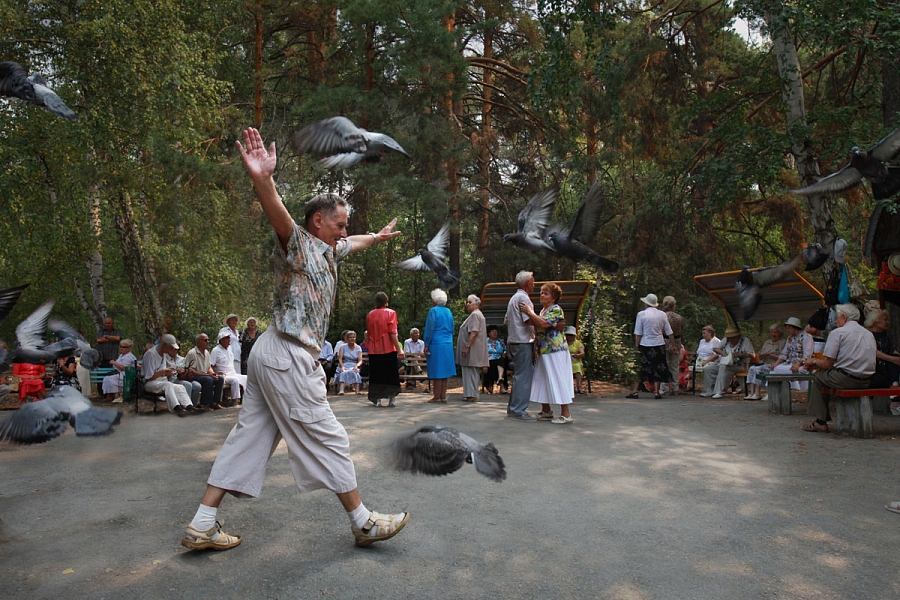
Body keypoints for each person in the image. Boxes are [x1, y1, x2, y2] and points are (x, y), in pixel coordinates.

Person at [182, 127, 407, 553]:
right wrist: (263, 180)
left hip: (271, 350)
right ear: (318, 222)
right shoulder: (301, 245)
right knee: (329, 435)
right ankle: (363, 522)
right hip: (287, 353)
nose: (345, 232)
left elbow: (352, 245)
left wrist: (374, 238)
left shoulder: (329, 249)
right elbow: (279, 216)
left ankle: (202, 522)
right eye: (339, 225)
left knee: (249, 438)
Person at [802, 303, 876, 433]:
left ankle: (821, 421)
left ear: (844, 317)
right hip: (867, 380)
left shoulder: (838, 333)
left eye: (837, 318)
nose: (835, 321)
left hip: (846, 379)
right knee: (827, 373)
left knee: (819, 377)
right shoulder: (868, 333)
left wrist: (812, 361)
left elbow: (827, 364)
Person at [521, 283, 575, 423]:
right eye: (541, 293)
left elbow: (544, 324)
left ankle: (566, 414)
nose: (542, 295)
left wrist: (529, 312)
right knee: (542, 378)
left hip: (555, 351)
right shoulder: (544, 310)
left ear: (554, 298)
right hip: (544, 351)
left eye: (546, 293)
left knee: (557, 378)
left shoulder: (556, 309)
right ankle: (546, 410)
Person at [627, 293, 676, 400]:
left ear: (646, 304)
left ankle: (635, 391)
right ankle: (657, 392)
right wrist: (674, 345)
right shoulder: (662, 314)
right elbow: (669, 331)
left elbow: (638, 332)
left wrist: (637, 345)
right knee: (658, 367)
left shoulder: (641, 314)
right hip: (659, 344)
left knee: (641, 367)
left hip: (645, 344)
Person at [504, 271, 537, 420]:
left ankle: (513, 408)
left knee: (520, 375)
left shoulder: (513, 298)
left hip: (514, 340)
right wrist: (543, 322)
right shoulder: (523, 298)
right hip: (523, 341)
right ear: (526, 283)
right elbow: (528, 320)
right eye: (532, 281)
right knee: (524, 376)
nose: (534, 284)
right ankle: (518, 410)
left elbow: (506, 322)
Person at [142, 334, 199, 417]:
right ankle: (177, 408)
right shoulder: (150, 355)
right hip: (151, 383)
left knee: (180, 387)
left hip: (162, 381)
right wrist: (163, 371)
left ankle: (189, 406)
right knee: (168, 385)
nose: (172, 350)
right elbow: (149, 377)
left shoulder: (163, 354)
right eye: (171, 347)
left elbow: (163, 372)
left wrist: (169, 372)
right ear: (165, 345)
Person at [366, 292, 404, 407]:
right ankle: (392, 398)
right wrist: (399, 350)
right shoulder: (391, 313)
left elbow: (369, 333)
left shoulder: (370, 314)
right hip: (388, 348)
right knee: (390, 373)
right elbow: (392, 333)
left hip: (374, 349)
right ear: (386, 301)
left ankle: (377, 399)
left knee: (376, 374)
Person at [864, 308, 900, 415]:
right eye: (885, 319)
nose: (888, 322)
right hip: (872, 371)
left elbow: (891, 351)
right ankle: (895, 393)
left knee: (894, 357)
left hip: (885, 371)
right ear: (876, 321)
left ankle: (895, 386)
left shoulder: (885, 337)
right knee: (893, 359)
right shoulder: (867, 335)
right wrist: (893, 359)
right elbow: (873, 352)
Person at [703, 325, 755, 399]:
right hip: (725, 361)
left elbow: (752, 355)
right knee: (709, 368)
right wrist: (723, 354)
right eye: (729, 337)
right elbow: (715, 348)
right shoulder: (726, 340)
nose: (731, 339)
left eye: (733, 337)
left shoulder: (745, 341)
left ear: (738, 336)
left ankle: (719, 391)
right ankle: (708, 391)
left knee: (724, 367)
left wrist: (741, 355)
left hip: (740, 364)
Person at [423, 288, 455, 403]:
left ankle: (436, 395)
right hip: (448, 342)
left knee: (437, 369)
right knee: (445, 370)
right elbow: (452, 328)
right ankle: (443, 395)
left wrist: (426, 343)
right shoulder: (448, 312)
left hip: (436, 343)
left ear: (435, 300)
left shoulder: (433, 311)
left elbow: (430, 328)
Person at [767, 317, 814, 394]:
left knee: (798, 370)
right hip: (790, 363)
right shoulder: (790, 338)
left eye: (789, 328)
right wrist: (776, 363)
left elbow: (807, 355)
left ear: (794, 327)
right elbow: (784, 353)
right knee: (774, 369)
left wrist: (798, 364)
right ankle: (775, 392)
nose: (787, 330)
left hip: (803, 364)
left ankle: (797, 390)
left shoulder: (807, 337)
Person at [457, 294, 488, 402]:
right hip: (474, 349)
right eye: (467, 302)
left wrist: (467, 346)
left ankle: (472, 394)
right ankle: (470, 394)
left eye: (470, 302)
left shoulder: (475, 315)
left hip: (472, 350)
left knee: (470, 371)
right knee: (471, 372)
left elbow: (474, 332)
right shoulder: (478, 314)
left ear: (476, 304)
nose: (467, 304)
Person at [744, 323, 786, 401]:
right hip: (764, 363)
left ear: (780, 333)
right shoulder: (767, 342)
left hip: (775, 364)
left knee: (758, 370)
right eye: (772, 332)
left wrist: (770, 355)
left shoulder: (783, 342)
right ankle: (752, 393)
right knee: (752, 368)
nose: (773, 334)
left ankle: (757, 393)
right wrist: (762, 355)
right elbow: (760, 355)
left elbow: (783, 357)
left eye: (775, 332)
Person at [184, 333, 225, 410]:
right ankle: (205, 404)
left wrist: (212, 373)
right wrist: (209, 376)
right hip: (194, 376)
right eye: (205, 340)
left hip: (204, 375)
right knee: (208, 380)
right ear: (199, 342)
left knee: (220, 378)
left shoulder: (206, 352)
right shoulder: (192, 353)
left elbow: (208, 367)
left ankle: (215, 402)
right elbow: (191, 370)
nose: (208, 342)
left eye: (208, 340)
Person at [210, 331, 248, 404]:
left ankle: (245, 399)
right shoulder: (216, 350)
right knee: (235, 381)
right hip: (224, 375)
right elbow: (211, 365)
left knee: (246, 378)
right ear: (221, 340)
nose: (229, 340)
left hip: (232, 373)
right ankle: (234, 400)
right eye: (227, 338)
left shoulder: (229, 348)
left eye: (229, 338)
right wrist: (216, 373)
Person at [661, 296, 684, 395]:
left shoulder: (662, 316)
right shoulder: (679, 317)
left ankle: (664, 387)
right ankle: (675, 387)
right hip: (676, 342)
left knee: (664, 364)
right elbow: (681, 330)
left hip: (664, 341)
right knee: (674, 366)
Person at [482, 325, 508, 394]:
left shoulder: (500, 341)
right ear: (489, 333)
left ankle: (501, 382)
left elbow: (505, 349)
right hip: (488, 359)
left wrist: (505, 353)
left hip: (499, 359)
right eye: (493, 331)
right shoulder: (485, 341)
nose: (495, 333)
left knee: (501, 361)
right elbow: (483, 352)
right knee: (492, 365)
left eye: (496, 331)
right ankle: (490, 386)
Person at [336, 331, 364, 396]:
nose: (352, 339)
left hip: (354, 364)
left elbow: (360, 360)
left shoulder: (358, 348)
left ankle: (357, 391)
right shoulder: (343, 347)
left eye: (353, 337)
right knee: (343, 372)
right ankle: (341, 390)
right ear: (347, 339)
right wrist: (342, 366)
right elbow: (340, 358)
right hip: (345, 363)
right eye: (350, 337)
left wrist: (357, 366)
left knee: (355, 372)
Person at [565, 326, 585, 394]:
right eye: (567, 335)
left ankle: (579, 386)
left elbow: (582, 353)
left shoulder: (577, 343)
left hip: (575, 361)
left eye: (571, 335)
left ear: (574, 336)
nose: (569, 337)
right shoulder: (563, 343)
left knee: (577, 367)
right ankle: (571, 387)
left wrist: (577, 355)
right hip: (565, 361)